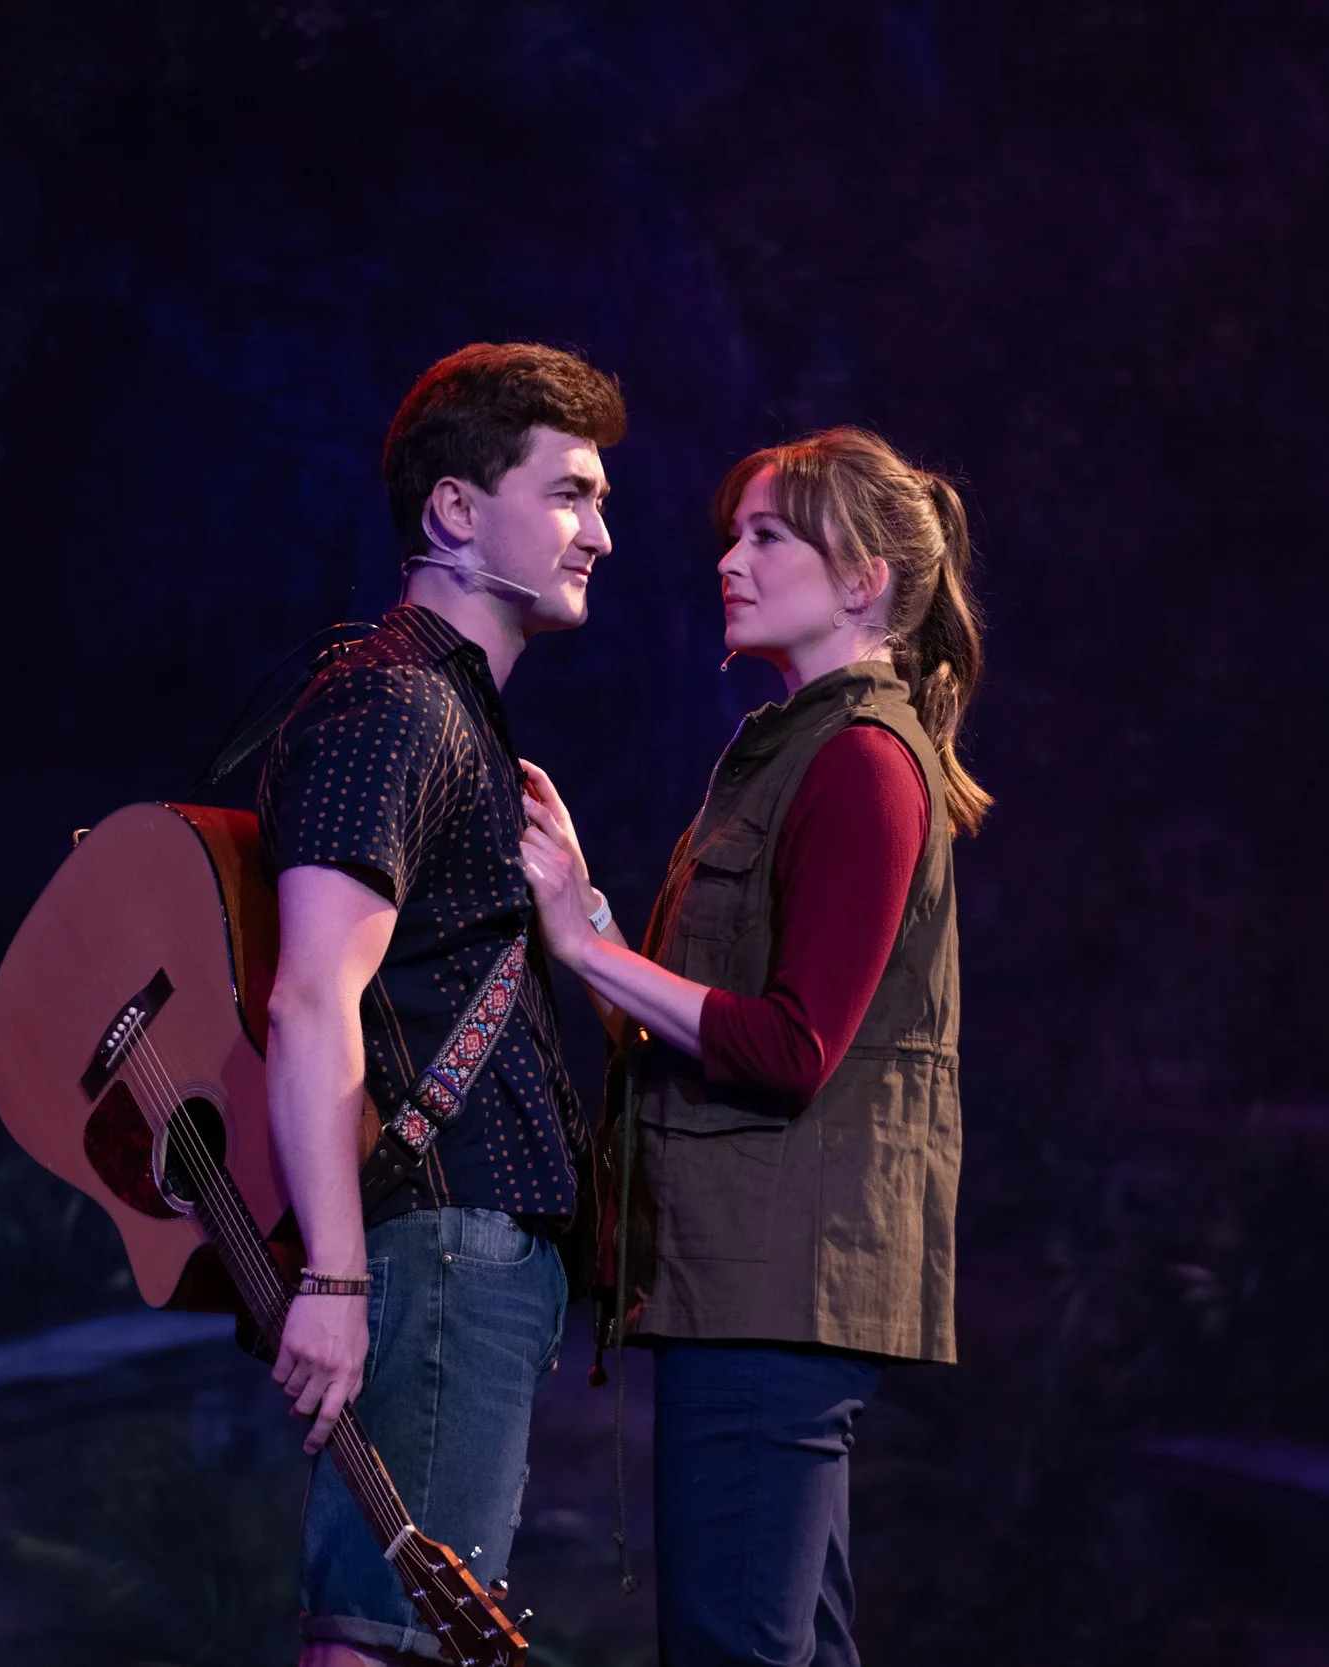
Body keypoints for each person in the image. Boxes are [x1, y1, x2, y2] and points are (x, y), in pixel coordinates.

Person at [518, 426, 988, 1666]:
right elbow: (708, 1013)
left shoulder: (862, 764)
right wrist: (591, 915)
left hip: (774, 1289)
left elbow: (790, 1047)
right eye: (734, 535)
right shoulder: (796, 751)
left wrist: (581, 946)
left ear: (864, 578)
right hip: (750, 1283)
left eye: (768, 535)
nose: (730, 559)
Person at [257, 341, 623, 1666]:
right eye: (569, 494)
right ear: (457, 509)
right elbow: (312, 996)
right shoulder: (397, 705)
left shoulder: (446, 713)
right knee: (385, 1641)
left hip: (464, 1252)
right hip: (441, 1245)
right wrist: (336, 1272)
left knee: (408, 1636)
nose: (601, 534)